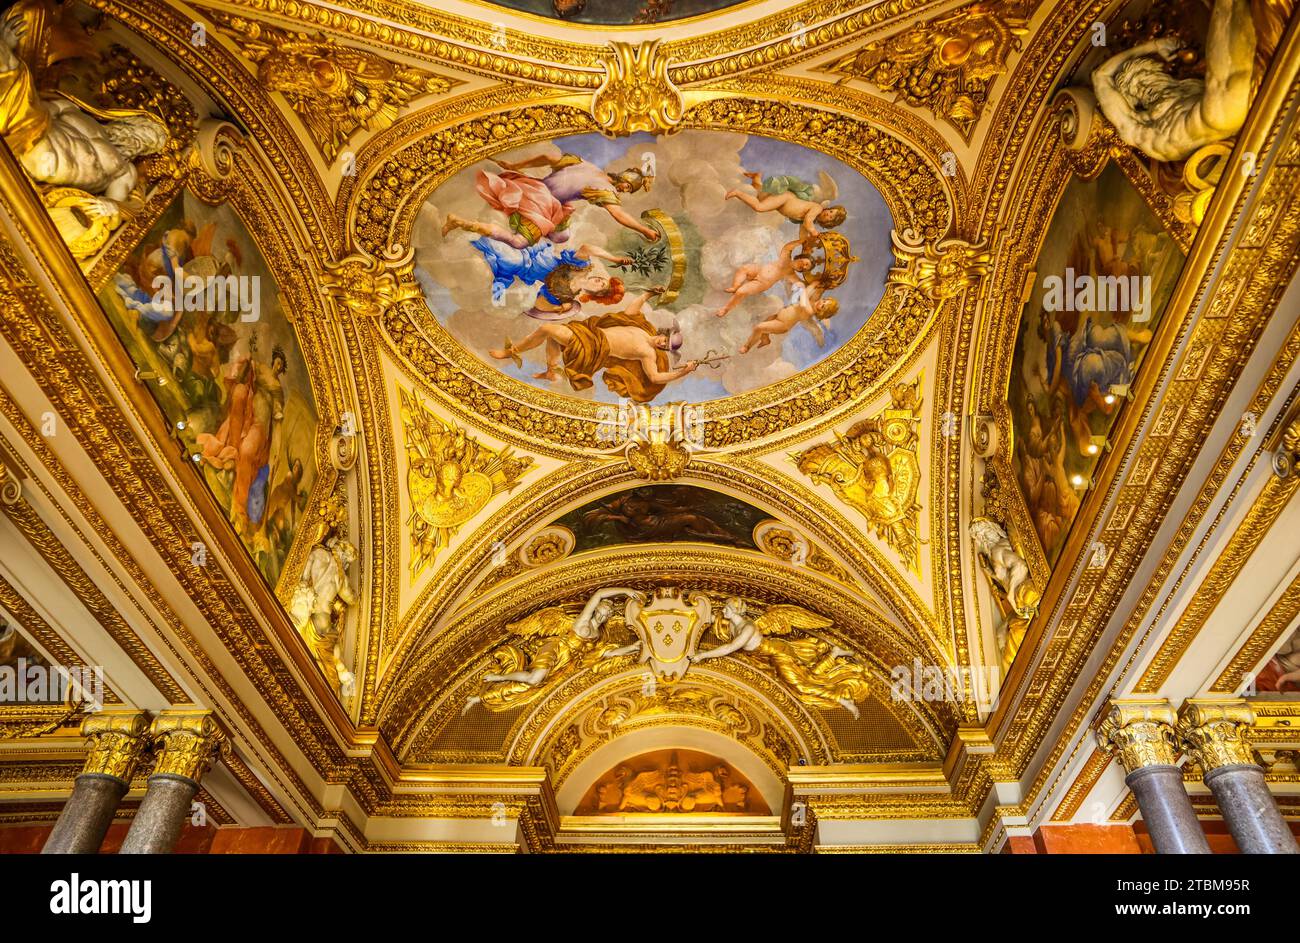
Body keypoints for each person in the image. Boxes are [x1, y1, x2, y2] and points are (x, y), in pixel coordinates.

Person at [490, 288, 698, 402]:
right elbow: (630, 313)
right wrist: (647, 295)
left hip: (594, 347)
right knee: (552, 337)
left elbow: (654, 377)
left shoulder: (648, 354)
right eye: (665, 340)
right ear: (664, 333)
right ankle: (550, 370)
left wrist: (683, 372)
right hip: (592, 333)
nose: (662, 344)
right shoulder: (645, 329)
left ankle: (511, 352)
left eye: (665, 347)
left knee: (547, 329)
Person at [443, 151, 658, 248]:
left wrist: (516, 166)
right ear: (623, 178)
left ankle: (546, 230)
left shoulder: (583, 163)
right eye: (627, 186)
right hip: (542, 203)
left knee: (562, 235)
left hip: (536, 187)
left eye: (628, 190)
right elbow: (618, 214)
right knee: (519, 243)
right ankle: (460, 222)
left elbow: (546, 158)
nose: (623, 190)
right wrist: (645, 230)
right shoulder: (605, 190)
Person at [726, 170, 847, 239]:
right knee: (759, 207)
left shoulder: (812, 218)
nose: (828, 214)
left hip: (782, 202)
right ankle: (737, 193)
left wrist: (805, 245)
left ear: (828, 223)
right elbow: (807, 223)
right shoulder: (817, 208)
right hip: (785, 198)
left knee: (759, 195)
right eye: (831, 211)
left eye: (831, 217)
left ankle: (756, 178)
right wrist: (815, 233)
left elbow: (803, 232)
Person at [715, 238, 813, 318]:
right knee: (744, 269)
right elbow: (788, 247)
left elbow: (801, 285)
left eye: (805, 268)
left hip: (762, 283)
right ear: (800, 257)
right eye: (805, 263)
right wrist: (802, 241)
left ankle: (725, 309)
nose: (803, 266)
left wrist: (814, 284)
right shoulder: (786, 257)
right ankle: (735, 286)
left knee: (741, 292)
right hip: (759, 269)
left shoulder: (791, 275)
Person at [739, 282, 838, 353]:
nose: (822, 302)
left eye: (824, 306)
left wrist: (802, 288)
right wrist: (814, 284)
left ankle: (747, 346)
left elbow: (803, 302)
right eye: (824, 300)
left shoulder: (809, 311)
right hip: (778, 316)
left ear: (822, 312)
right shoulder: (811, 302)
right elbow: (807, 293)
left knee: (759, 327)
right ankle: (765, 339)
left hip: (782, 325)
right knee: (767, 321)